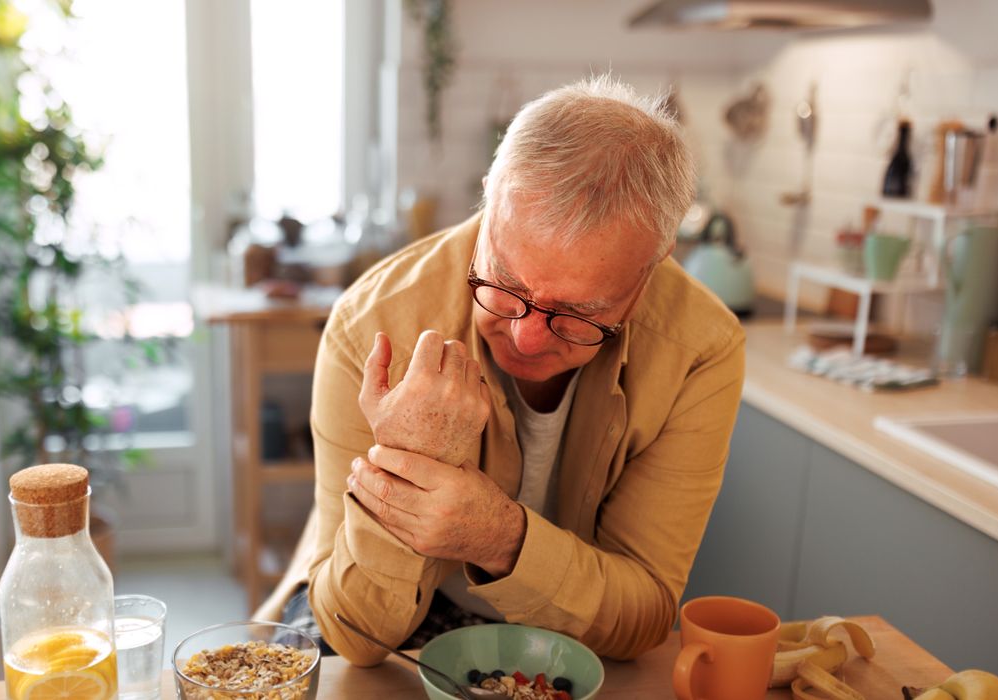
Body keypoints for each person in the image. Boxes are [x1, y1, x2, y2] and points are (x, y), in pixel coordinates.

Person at [285, 75, 746, 664]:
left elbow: (644, 614)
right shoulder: (370, 323)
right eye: (503, 282)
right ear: (488, 201)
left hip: (567, 627)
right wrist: (410, 458)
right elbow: (353, 636)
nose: (526, 337)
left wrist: (498, 536)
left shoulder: (701, 347)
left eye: (579, 313)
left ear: (653, 266)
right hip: (407, 610)